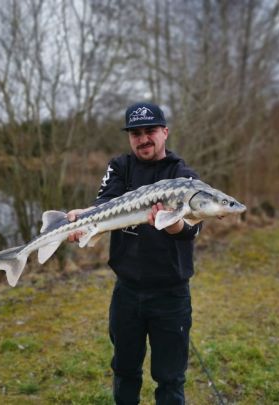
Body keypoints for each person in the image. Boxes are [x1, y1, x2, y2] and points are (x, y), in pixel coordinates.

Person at [66, 102, 201, 405]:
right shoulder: (121, 166)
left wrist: (173, 225)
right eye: (135, 133)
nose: (143, 139)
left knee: (170, 379)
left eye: (150, 130)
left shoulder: (183, 176)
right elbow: (103, 207)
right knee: (125, 371)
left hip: (171, 295)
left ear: (165, 132)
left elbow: (193, 230)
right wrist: (82, 221)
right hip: (126, 293)